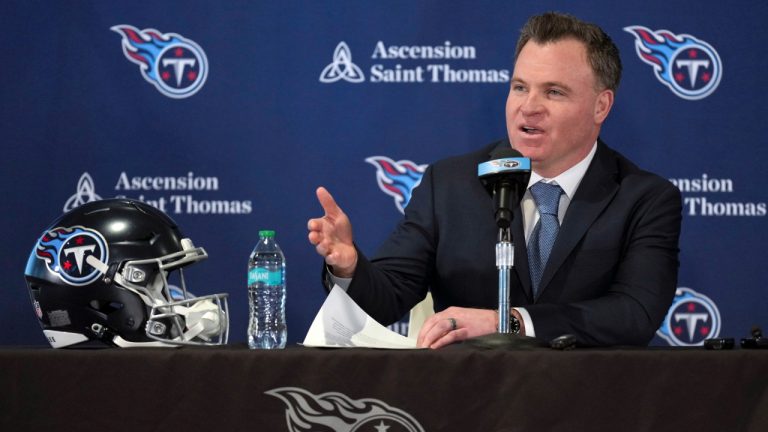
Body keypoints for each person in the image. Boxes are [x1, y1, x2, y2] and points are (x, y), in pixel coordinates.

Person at [307, 12, 682, 348]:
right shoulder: (450, 184)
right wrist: (350, 267)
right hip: (469, 404)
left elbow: (635, 313)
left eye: (553, 92)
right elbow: (385, 300)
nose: (528, 106)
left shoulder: (644, 199)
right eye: (520, 87)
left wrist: (509, 322)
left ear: (601, 105)